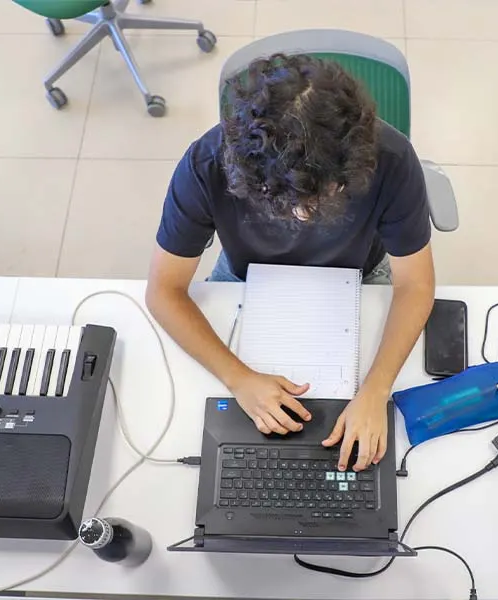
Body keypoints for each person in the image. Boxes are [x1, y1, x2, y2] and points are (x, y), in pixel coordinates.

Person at [145, 53, 435, 473]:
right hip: (245, 277)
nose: (303, 216)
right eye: (283, 197)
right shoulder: (207, 164)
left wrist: (376, 391)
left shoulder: (391, 158)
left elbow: (416, 286)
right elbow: (163, 290)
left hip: (360, 274)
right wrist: (238, 378)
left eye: (324, 194)